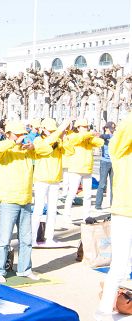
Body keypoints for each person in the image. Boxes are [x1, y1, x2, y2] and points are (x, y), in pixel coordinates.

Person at [0, 120, 52, 283]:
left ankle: (24, 269)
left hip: (25, 200)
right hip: (8, 200)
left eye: (22, 134)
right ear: (8, 134)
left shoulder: (27, 149)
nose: (21, 137)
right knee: (4, 239)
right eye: (17, 134)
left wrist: (33, 147)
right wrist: (12, 142)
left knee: (26, 239)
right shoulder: (2, 147)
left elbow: (47, 149)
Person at [95, 112, 132, 321]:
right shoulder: (120, 151)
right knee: (119, 267)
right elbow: (125, 130)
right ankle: (104, 312)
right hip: (125, 213)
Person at [31, 118, 73, 247]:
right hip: (41, 179)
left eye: (53, 131)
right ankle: (32, 238)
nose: (52, 133)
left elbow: (71, 151)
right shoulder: (38, 140)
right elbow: (45, 146)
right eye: (50, 130)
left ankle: (49, 237)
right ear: (43, 129)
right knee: (38, 210)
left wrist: (64, 137)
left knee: (52, 210)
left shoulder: (59, 140)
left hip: (55, 180)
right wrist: (59, 132)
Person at [63, 119, 104, 223]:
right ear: (78, 128)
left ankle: (87, 215)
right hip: (75, 169)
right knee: (72, 193)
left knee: (88, 195)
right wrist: (89, 135)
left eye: (86, 126)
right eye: (83, 127)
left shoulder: (88, 137)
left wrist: (91, 137)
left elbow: (100, 142)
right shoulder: (73, 136)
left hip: (87, 169)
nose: (86, 128)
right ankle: (66, 214)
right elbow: (77, 139)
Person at [94, 122, 115, 211]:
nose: (112, 131)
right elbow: (103, 137)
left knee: (114, 185)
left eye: (113, 129)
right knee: (102, 184)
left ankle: (113, 205)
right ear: (106, 128)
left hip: (113, 162)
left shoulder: (113, 136)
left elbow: (109, 137)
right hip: (105, 162)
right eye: (110, 129)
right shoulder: (103, 137)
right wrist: (102, 135)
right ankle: (98, 205)